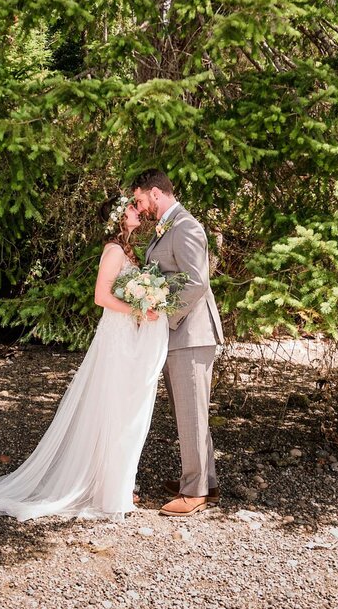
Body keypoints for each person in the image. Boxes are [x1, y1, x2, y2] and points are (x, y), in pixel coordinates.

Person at [0, 195, 168, 521]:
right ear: (118, 218)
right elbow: (100, 296)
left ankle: (114, 486)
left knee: (121, 411)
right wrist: (137, 308)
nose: (137, 210)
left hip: (127, 336)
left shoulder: (128, 251)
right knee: (114, 411)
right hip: (116, 340)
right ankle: (110, 492)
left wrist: (141, 308)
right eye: (131, 208)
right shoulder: (113, 251)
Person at [131, 168, 224, 517]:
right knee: (189, 411)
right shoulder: (167, 226)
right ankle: (205, 481)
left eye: (140, 200)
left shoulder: (185, 225)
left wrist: (163, 314)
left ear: (156, 193)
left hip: (191, 332)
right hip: (178, 334)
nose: (140, 208)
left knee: (193, 412)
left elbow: (197, 282)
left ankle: (195, 491)